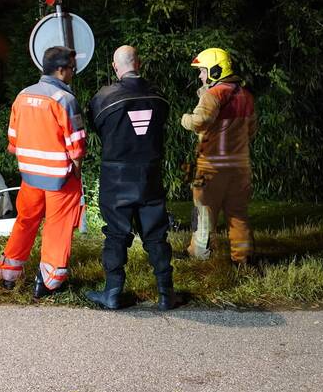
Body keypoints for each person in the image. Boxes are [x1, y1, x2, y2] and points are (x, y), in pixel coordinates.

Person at [85, 46, 177, 310]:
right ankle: (166, 294)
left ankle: (113, 292)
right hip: (150, 173)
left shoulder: (104, 97)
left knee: (116, 233)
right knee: (156, 233)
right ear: (140, 63)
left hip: (117, 175)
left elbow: (96, 127)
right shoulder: (158, 96)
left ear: (115, 67)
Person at [0, 46, 86, 298]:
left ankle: (9, 273)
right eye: (72, 69)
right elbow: (77, 145)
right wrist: (76, 171)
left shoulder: (22, 96)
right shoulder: (65, 100)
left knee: (26, 221)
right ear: (61, 70)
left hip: (29, 176)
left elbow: (13, 140)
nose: (73, 73)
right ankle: (49, 281)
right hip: (60, 178)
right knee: (58, 225)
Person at [180, 47, 257, 264]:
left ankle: (200, 253)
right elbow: (252, 130)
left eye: (202, 71)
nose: (200, 76)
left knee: (203, 210)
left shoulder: (213, 95)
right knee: (238, 213)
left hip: (210, 165)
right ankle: (242, 258)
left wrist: (185, 119)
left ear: (215, 71)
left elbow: (200, 121)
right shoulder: (246, 96)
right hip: (240, 167)